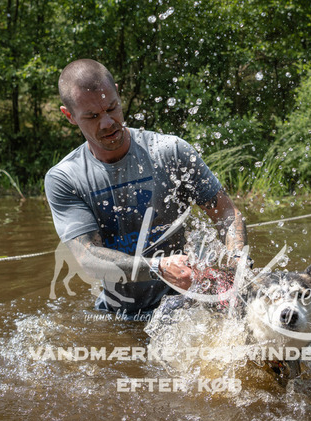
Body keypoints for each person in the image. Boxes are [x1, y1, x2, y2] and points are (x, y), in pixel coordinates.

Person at [44, 59, 247, 318]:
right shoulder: (65, 179)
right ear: (69, 116)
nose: (107, 122)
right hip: (120, 315)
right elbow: (89, 258)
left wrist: (237, 263)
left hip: (188, 307)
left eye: (112, 108)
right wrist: (158, 267)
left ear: (118, 94)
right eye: (92, 116)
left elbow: (227, 214)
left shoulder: (171, 152)